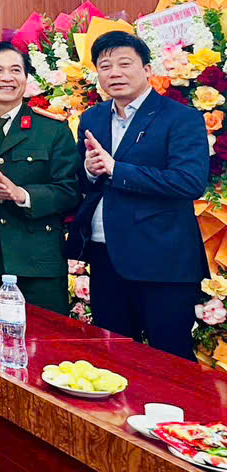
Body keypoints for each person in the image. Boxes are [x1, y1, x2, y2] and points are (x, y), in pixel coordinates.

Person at [67, 31, 209, 359]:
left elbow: (189, 182)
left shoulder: (181, 118)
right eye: (105, 66)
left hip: (163, 259)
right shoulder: (92, 117)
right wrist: (90, 170)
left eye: (124, 64)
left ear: (147, 69)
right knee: (114, 356)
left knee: (170, 359)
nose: (114, 73)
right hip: (106, 255)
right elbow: (85, 181)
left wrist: (118, 170)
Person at [0, 42, 79, 314]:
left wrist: (23, 195)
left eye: (15, 70)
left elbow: (70, 191)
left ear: (26, 79)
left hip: (39, 264)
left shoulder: (52, 129)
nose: (7, 77)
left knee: (48, 338)